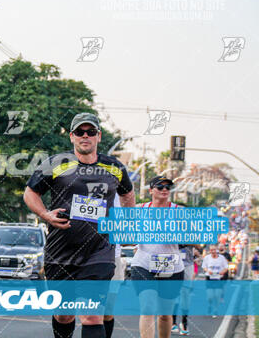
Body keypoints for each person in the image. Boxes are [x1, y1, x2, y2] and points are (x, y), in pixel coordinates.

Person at [24, 112, 135, 338]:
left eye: (91, 132)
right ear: (72, 137)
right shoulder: (56, 164)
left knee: (92, 314)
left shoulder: (114, 167)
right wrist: (45, 214)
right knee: (64, 314)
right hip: (60, 251)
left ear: (98, 136)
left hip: (99, 252)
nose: (86, 136)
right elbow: (30, 193)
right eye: (80, 132)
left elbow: (128, 194)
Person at [128, 176, 184, 338]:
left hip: (171, 265)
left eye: (168, 187)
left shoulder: (179, 211)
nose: (165, 190)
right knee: (147, 308)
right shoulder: (139, 209)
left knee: (165, 314)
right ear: (151, 190)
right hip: (143, 263)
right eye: (160, 187)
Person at [171, 244, 197, 336]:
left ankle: (184, 323)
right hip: (171, 263)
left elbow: (199, 245)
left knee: (185, 294)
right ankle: (172, 322)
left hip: (187, 265)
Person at [202, 245, 229, 318]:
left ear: (216, 250)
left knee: (217, 295)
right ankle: (210, 305)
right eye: (211, 250)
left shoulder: (222, 258)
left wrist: (222, 272)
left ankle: (215, 310)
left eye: (214, 250)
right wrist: (208, 271)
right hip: (209, 278)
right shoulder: (207, 258)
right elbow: (204, 267)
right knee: (210, 296)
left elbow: (226, 267)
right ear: (209, 251)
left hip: (218, 278)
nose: (213, 251)